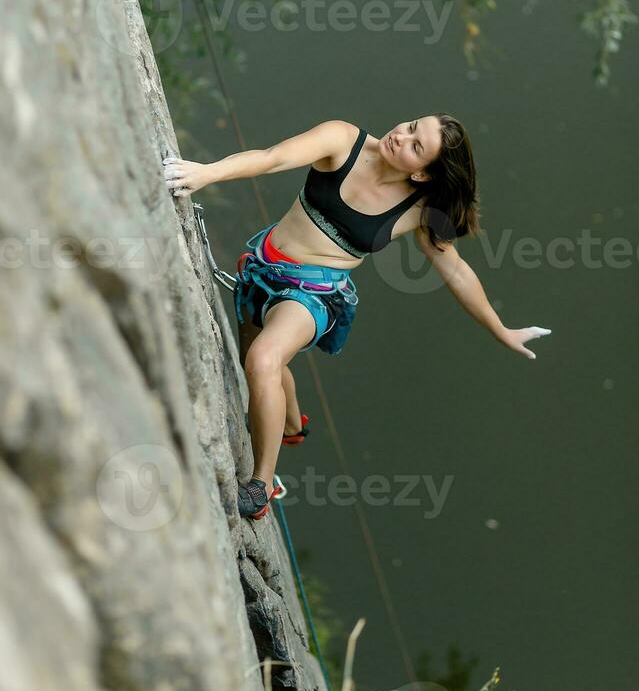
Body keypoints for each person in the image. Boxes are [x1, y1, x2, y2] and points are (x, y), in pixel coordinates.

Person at [163, 116, 551, 519]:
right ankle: (292, 426)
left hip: (314, 296)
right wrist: (206, 173)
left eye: (416, 146)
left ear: (421, 173)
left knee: (263, 360)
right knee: (261, 366)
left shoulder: (416, 211)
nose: (401, 136)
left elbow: (455, 271)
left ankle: (261, 486)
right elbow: (272, 158)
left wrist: (500, 330)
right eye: (412, 126)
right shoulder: (342, 140)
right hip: (264, 269)